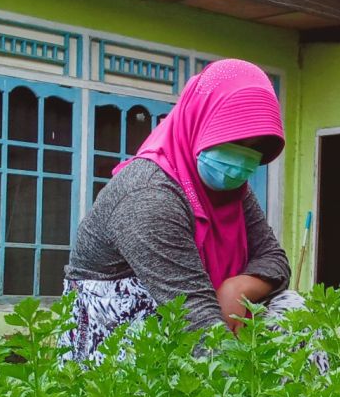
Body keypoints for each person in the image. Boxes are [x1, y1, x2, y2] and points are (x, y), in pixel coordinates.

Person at [62, 58, 308, 363]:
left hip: (204, 316)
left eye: (255, 146)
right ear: (199, 120)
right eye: (234, 137)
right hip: (125, 347)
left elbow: (274, 259)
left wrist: (239, 286)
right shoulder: (149, 195)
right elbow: (192, 316)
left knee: (292, 311)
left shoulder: (231, 191)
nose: (244, 156)